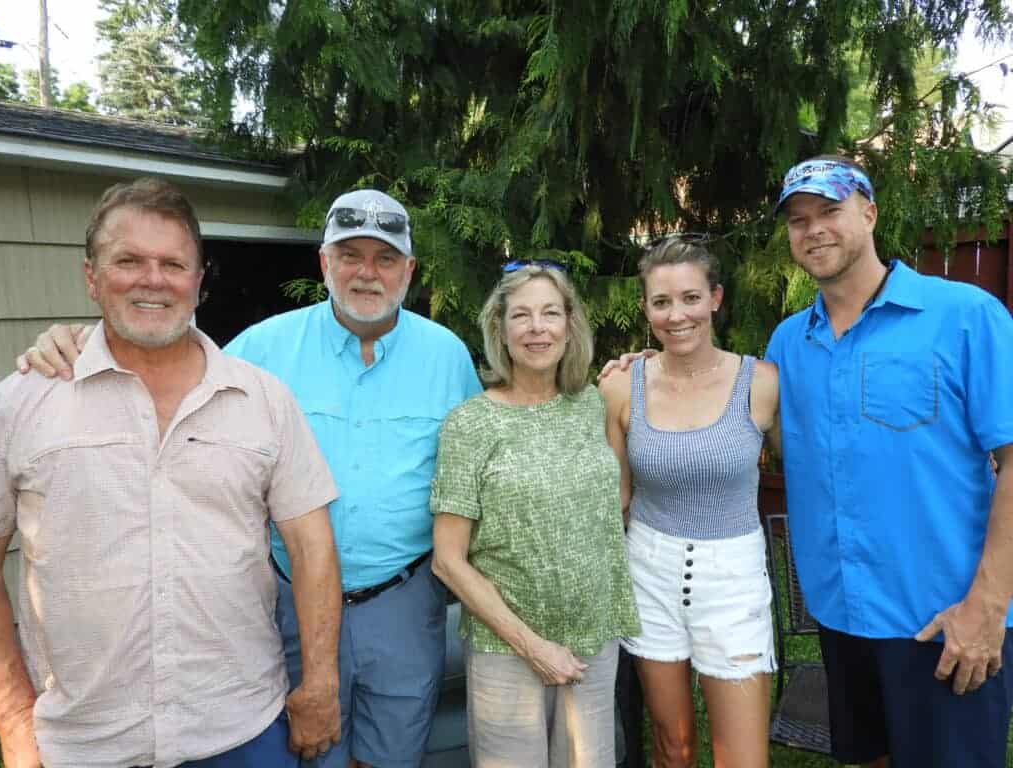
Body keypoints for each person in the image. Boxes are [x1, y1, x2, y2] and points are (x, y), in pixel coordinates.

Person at [18, 188, 483, 768]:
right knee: (307, 750)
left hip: (403, 602)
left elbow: (482, 465)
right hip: (287, 598)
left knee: (396, 751)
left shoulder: (448, 356)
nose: (367, 273)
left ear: (409, 270)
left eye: (385, 258)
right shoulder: (261, 350)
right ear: (323, 263)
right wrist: (77, 340)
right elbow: (170, 371)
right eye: (350, 255)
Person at [0, 178, 342, 768]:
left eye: (173, 264)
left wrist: (320, 685)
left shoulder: (262, 400)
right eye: (128, 260)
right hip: (83, 743)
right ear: (91, 277)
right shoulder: (23, 402)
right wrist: (12, 717)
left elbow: (313, 549)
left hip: (240, 731)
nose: (153, 279)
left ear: (198, 282)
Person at [767, 155, 1013, 767]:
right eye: (798, 220)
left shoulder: (964, 316)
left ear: (869, 212)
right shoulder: (787, 343)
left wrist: (986, 606)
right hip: (842, 609)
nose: (813, 229)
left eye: (830, 210)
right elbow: (745, 430)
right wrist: (648, 374)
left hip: (941, 616)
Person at [429, 263, 641, 767]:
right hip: (507, 648)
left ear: (570, 325)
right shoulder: (470, 424)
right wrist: (535, 647)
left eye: (550, 313)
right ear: (500, 330)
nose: (537, 327)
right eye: (521, 315)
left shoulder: (594, 403)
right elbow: (448, 560)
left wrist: (646, 365)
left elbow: (619, 501)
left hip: (594, 639)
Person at [598, 238, 778, 768]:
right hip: (649, 569)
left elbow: (819, 467)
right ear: (646, 309)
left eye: (691, 298)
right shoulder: (619, 387)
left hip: (733, 579)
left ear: (716, 298)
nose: (677, 315)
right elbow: (617, 497)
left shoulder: (763, 382)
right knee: (672, 746)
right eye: (661, 302)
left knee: (743, 758)